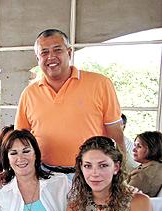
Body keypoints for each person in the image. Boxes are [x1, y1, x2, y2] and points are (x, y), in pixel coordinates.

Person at [15, 29, 125, 175]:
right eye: (44, 52)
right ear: (38, 59)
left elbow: (115, 134)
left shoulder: (100, 84)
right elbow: (19, 139)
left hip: (90, 175)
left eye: (57, 50)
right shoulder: (29, 93)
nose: (51, 57)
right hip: (44, 174)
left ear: (69, 52)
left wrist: (121, 171)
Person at [127, 131, 162, 197]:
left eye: (139, 146)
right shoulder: (156, 165)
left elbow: (121, 197)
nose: (134, 150)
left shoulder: (144, 175)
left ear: (153, 149)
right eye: (134, 145)